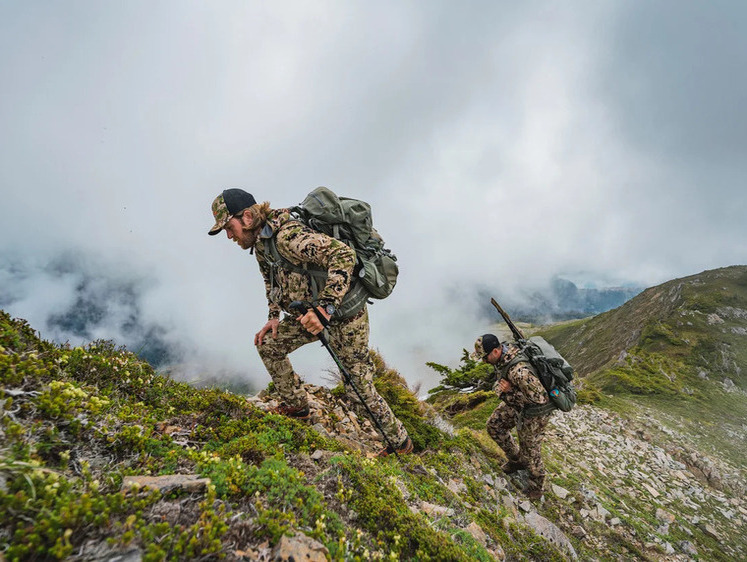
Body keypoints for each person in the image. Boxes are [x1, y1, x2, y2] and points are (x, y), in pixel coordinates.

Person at [208, 188, 412, 456]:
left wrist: (325, 309)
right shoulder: (261, 241)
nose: (229, 235)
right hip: (308, 315)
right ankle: (297, 408)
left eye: (229, 227)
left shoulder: (288, 237)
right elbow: (271, 280)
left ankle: (401, 443)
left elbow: (344, 256)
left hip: (345, 318)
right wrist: (273, 317)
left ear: (246, 217)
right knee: (269, 345)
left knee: (357, 390)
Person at [472, 333, 554, 499]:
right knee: (494, 425)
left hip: (535, 412)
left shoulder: (519, 372)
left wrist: (509, 391)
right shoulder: (505, 356)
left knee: (530, 452)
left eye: (485, 357)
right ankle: (515, 461)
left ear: (495, 351)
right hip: (519, 402)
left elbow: (539, 400)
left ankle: (536, 487)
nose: (484, 361)